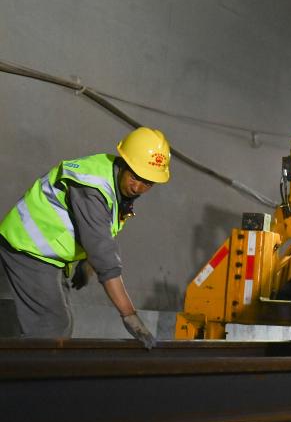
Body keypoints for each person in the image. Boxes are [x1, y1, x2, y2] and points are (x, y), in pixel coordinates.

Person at [0, 127, 171, 346]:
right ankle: (29, 378)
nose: (138, 187)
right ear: (124, 163)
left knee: (62, 325)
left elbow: (97, 232)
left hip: (47, 254)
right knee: (50, 328)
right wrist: (129, 315)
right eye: (135, 177)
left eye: (147, 182)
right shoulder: (93, 186)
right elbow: (103, 252)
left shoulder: (115, 187)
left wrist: (86, 263)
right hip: (27, 247)